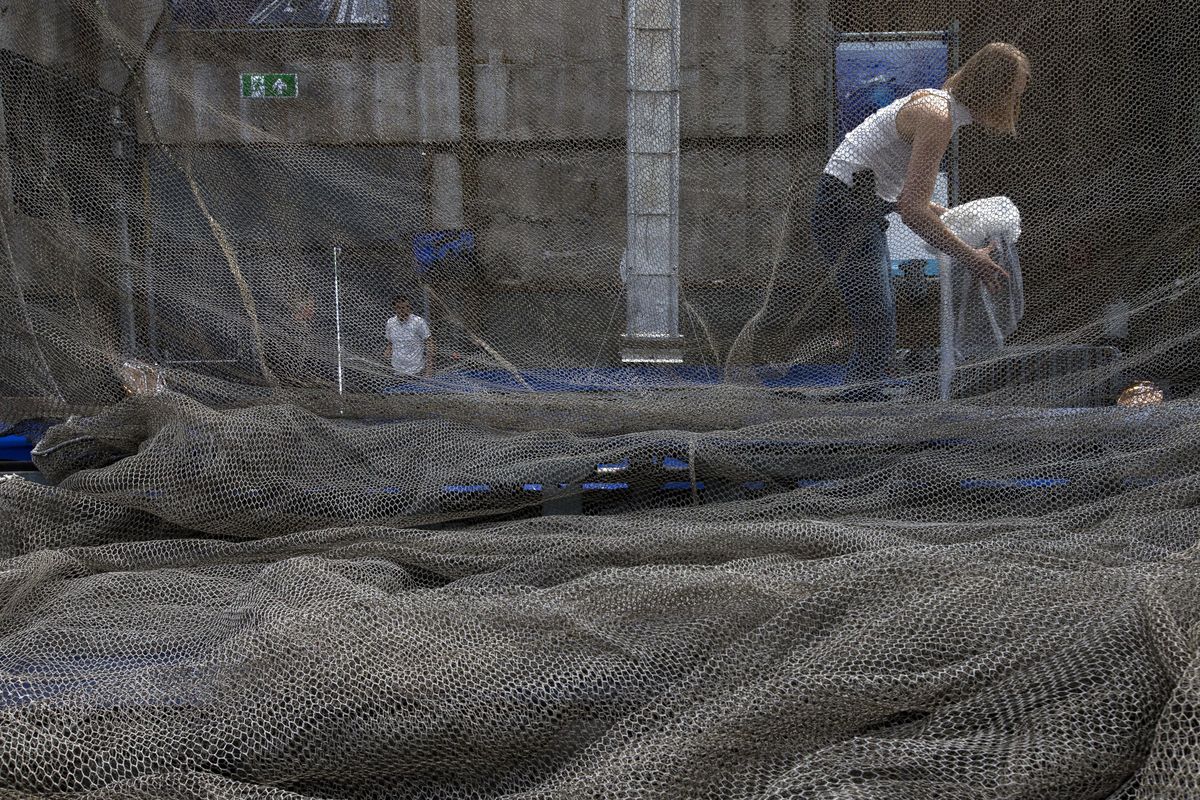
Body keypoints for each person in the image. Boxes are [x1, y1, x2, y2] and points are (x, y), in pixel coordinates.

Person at [811, 42, 1031, 401]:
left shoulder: (941, 108)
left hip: (861, 207)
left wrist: (955, 218)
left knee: (878, 321)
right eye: (1013, 94)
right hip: (845, 209)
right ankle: (853, 409)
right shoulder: (937, 115)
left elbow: (904, 194)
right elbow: (912, 210)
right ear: (993, 89)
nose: (1014, 105)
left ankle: (858, 400)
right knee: (875, 322)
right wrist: (972, 258)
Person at [383, 295, 434, 379]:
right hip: (396, 371)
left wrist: (429, 368)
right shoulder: (391, 323)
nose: (403, 310)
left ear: (409, 307)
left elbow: (429, 342)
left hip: (416, 371)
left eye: (406, 307)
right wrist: (386, 354)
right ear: (395, 309)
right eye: (399, 308)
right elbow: (390, 343)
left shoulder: (418, 322)